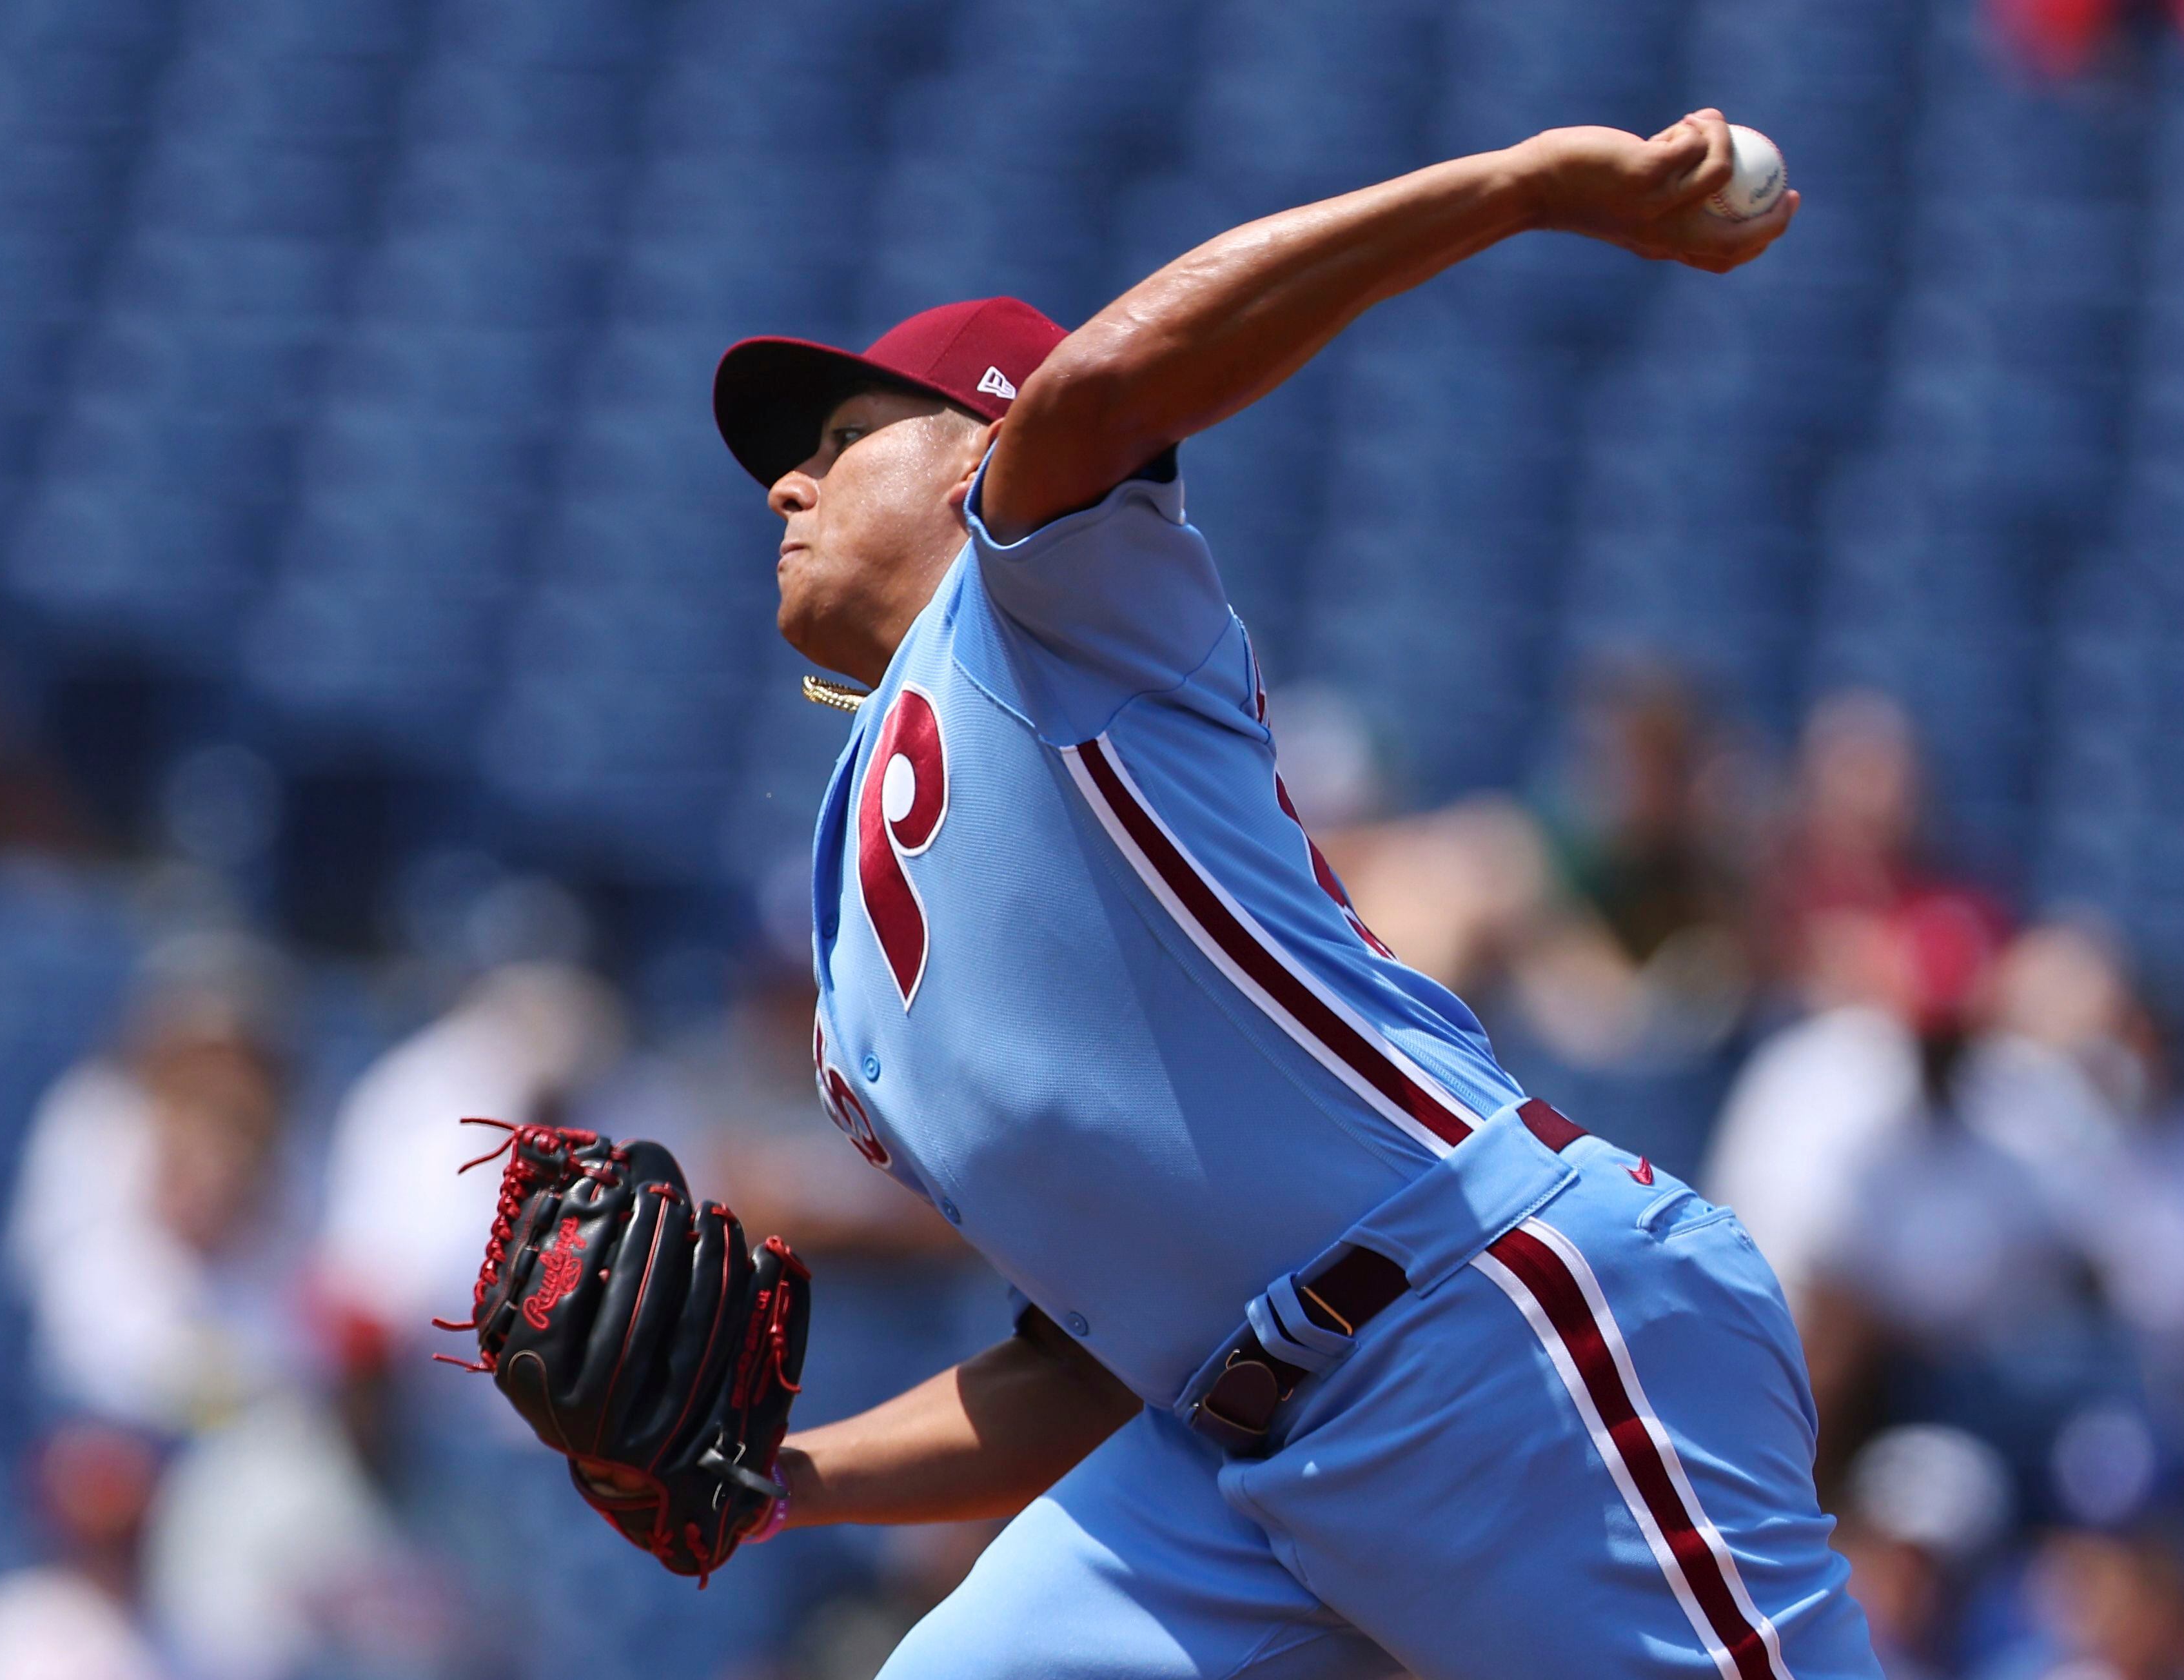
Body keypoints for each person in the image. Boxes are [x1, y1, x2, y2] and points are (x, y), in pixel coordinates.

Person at [705, 114, 1873, 1677]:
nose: (789, 481)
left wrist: (1520, 189)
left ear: (984, 443)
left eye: (846, 436)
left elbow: (1108, 385)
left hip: (1483, 1330)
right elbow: (1090, 1365)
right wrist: (779, 1483)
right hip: (1231, 1456)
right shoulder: (850, 964)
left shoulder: (1040, 608)